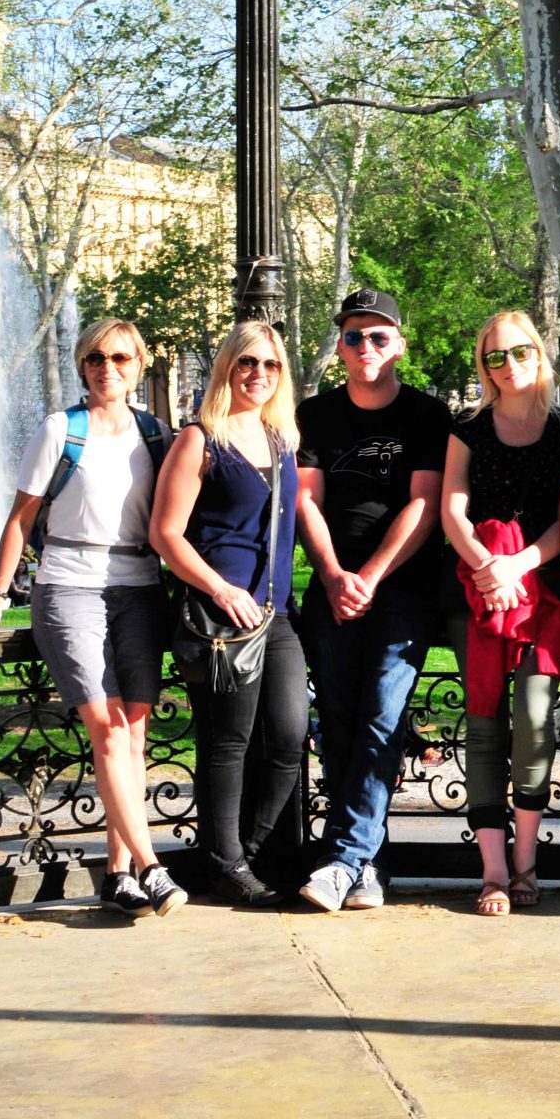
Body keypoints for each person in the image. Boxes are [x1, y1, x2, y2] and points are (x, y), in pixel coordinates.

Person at [0, 318, 185, 918]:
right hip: (69, 587)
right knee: (107, 726)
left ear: (139, 364)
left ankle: (118, 872)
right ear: (82, 366)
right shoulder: (62, 428)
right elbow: (20, 518)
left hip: (139, 587)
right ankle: (151, 866)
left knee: (134, 731)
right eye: (94, 358)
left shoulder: (157, 435)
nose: (106, 367)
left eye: (118, 357)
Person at [292, 289, 454, 913]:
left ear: (400, 346)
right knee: (336, 724)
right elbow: (307, 498)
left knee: (381, 721)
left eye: (379, 337)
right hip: (332, 588)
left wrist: (371, 576)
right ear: (340, 346)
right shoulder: (315, 413)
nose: (366, 347)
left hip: (403, 592)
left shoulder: (426, 414)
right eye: (355, 336)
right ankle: (366, 865)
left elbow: (424, 503)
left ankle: (341, 858)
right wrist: (333, 574)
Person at [150, 321, 306, 907]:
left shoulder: (281, 437)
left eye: (269, 365)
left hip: (278, 613)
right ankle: (227, 863)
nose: (258, 375)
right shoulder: (200, 439)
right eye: (247, 363)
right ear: (226, 369)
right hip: (224, 620)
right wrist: (221, 589)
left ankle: (240, 854)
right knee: (228, 744)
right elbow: (166, 534)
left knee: (290, 739)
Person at [440, 312, 560, 917]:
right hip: (478, 592)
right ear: (484, 364)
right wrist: (487, 567)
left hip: (545, 590)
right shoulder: (468, 428)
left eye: (520, 352)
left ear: (540, 354)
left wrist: (518, 565)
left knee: (532, 723)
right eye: (495, 357)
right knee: (482, 726)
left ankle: (527, 862)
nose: (509, 365)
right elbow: (453, 509)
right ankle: (495, 872)